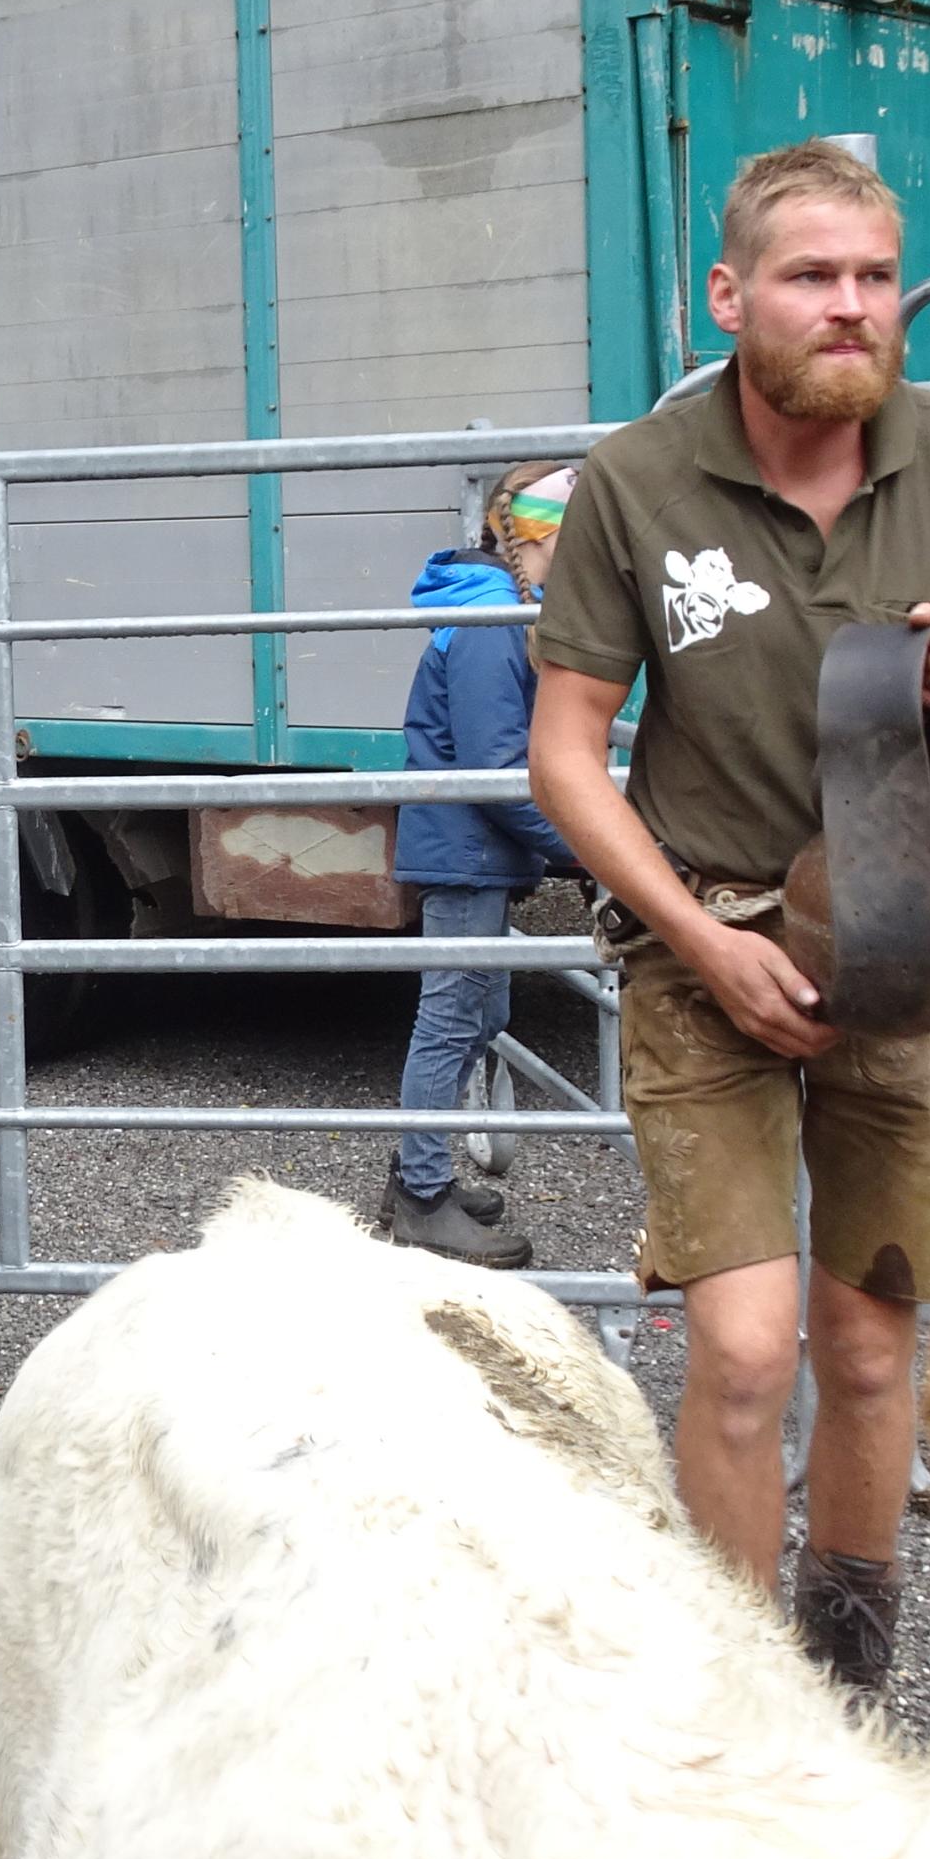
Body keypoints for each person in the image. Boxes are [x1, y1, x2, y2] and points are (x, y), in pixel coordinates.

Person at [524, 139, 930, 1690]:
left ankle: (842, 1692)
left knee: (865, 1346)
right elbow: (565, 752)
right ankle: (735, 1708)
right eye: (811, 277)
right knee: (740, 1354)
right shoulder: (638, 482)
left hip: (912, 949)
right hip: (700, 950)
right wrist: (700, 941)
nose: (852, 306)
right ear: (730, 298)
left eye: (874, 278)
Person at [380, 462, 578, 1266]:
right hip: (467, 853)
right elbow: (495, 768)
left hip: (473, 850)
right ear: (541, 537)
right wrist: (586, 848)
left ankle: (416, 1175)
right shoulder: (493, 623)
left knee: (479, 1014)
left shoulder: (492, 611)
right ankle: (421, 1199)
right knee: (451, 1020)